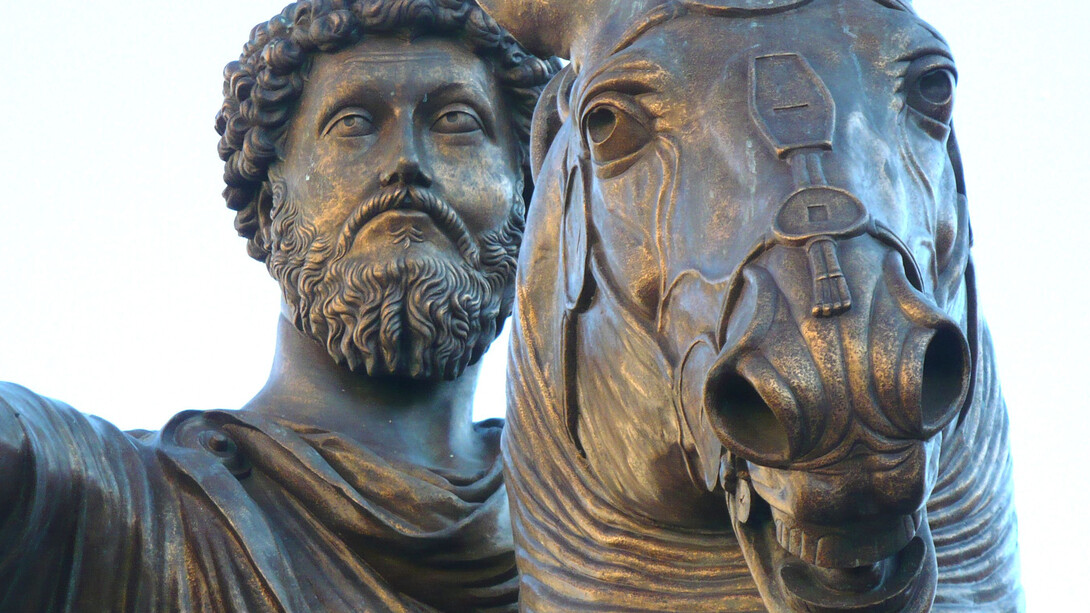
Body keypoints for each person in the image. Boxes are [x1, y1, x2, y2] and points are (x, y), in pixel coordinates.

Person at [0, 1, 556, 610]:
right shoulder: (117, 509)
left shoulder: (607, 537)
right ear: (267, 204)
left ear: (530, 197)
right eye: (353, 123)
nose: (406, 165)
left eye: (456, 121)